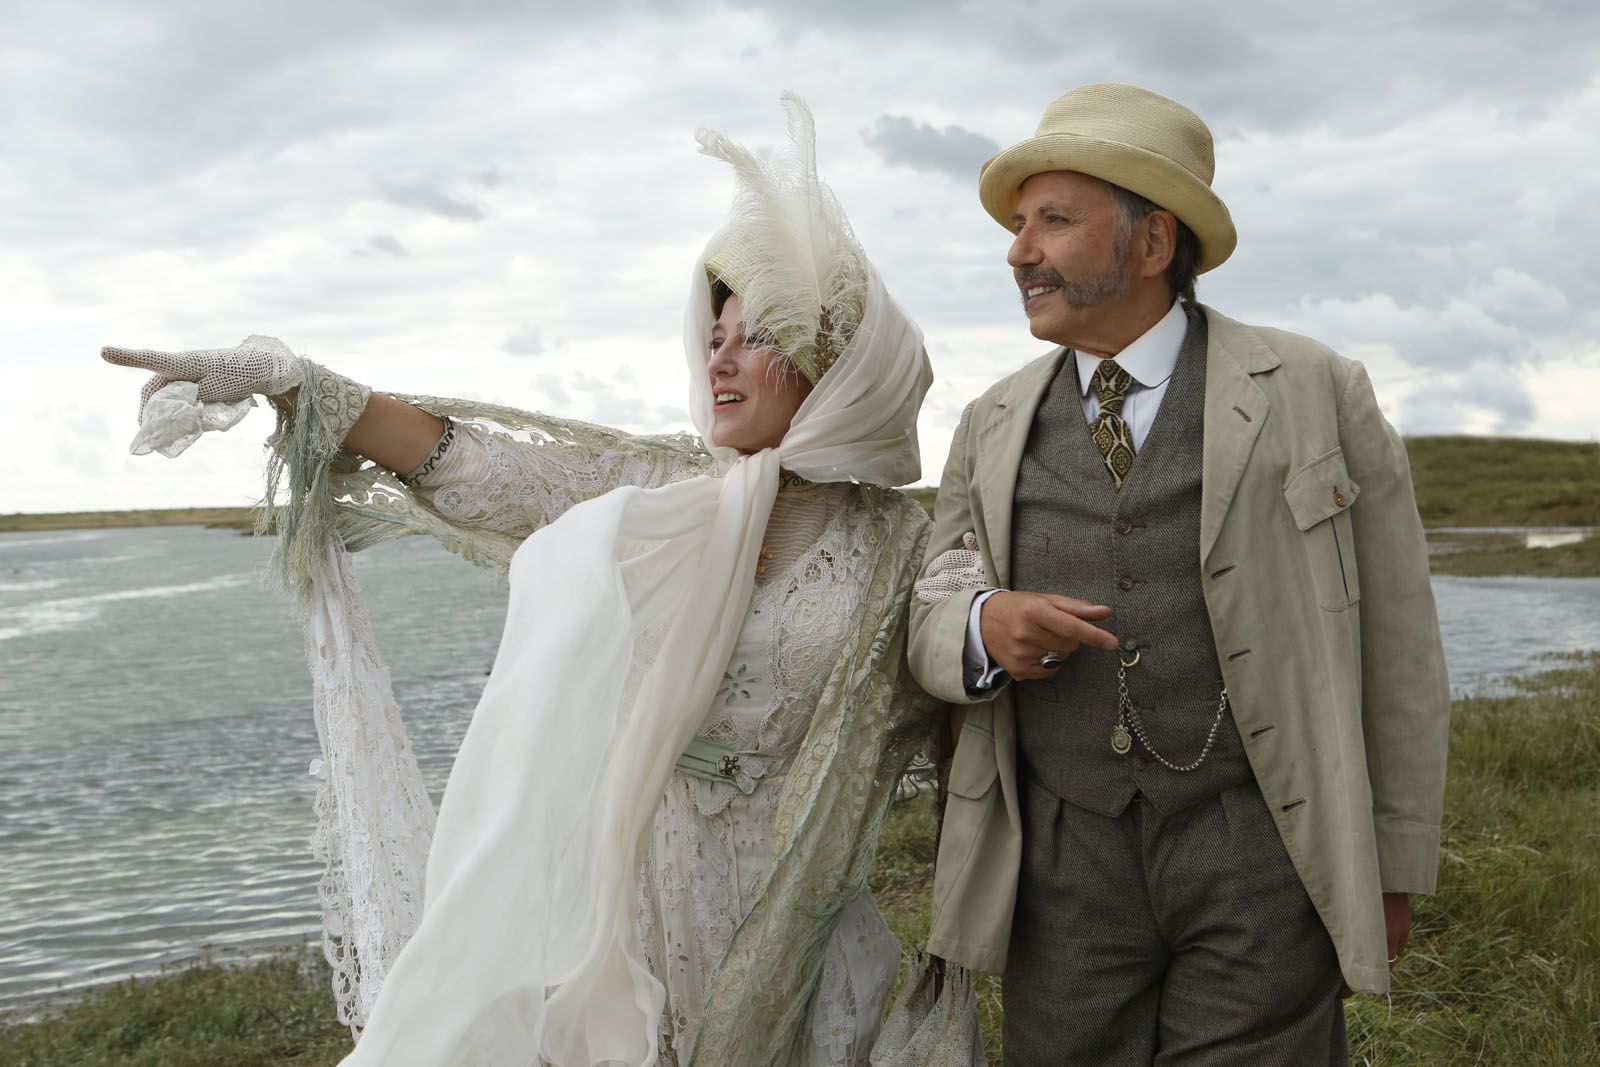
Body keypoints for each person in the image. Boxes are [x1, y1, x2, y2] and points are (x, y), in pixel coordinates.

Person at [103, 96, 965, 1067]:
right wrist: (293, 378)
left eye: (755, 335)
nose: (720, 357)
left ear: (834, 367)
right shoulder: (658, 492)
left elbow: (960, 673)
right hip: (634, 904)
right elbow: (478, 469)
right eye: (712, 333)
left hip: (798, 911)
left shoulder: (907, 542)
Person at [907, 83, 1451, 1064]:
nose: (1017, 250)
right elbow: (927, 613)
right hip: (1057, 862)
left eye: (1053, 221)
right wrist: (982, 628)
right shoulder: (988, 421)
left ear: (1153, 243)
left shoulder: (1317, 391)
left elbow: (1400, 644)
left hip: (1258, 847)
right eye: (1018, 224)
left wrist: (1393, 859)